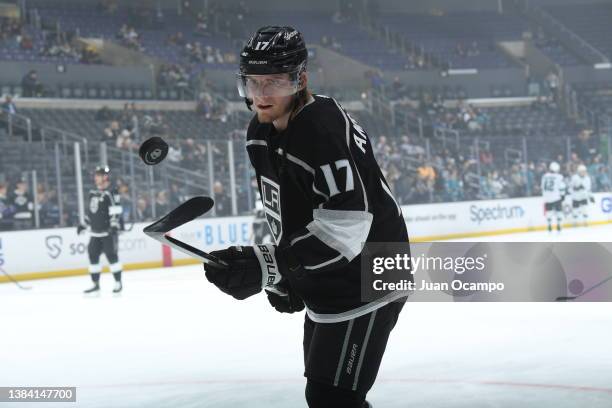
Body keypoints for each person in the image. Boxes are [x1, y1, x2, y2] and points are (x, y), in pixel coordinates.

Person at [203, 26, 408, 408]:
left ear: (300, 80)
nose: (261, 95)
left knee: (331, 398)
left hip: (371, 271)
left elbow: (348, 226)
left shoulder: (321, 128)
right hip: (334, 275)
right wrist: (284, 275)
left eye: (274, 83)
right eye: (253, 83)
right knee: (327, 397)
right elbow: (287, 212)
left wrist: (274, 265)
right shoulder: (259, 134)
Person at [78, 166, 124, 293]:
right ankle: (95, 284)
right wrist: (84, 224)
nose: (96, 177)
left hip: (108, 232)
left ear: (105, 177)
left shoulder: (112, 192)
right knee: (93, 256)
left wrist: (114, 225)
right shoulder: (92, 192)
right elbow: (91, 212)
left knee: (112, 256)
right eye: (96, 175)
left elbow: (116, 210)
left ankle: (118, 283)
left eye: (99, 175)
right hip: (95, 232)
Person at [541, 161, 566, 233]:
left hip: (546, 197)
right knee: (559, 211)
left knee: (549, 212)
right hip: (556, 197)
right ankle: (559, 225)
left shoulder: (544, 176)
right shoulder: (559, 177)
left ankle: (549, 225)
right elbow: (562, 186)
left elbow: (542, 187)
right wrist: (563, 195)